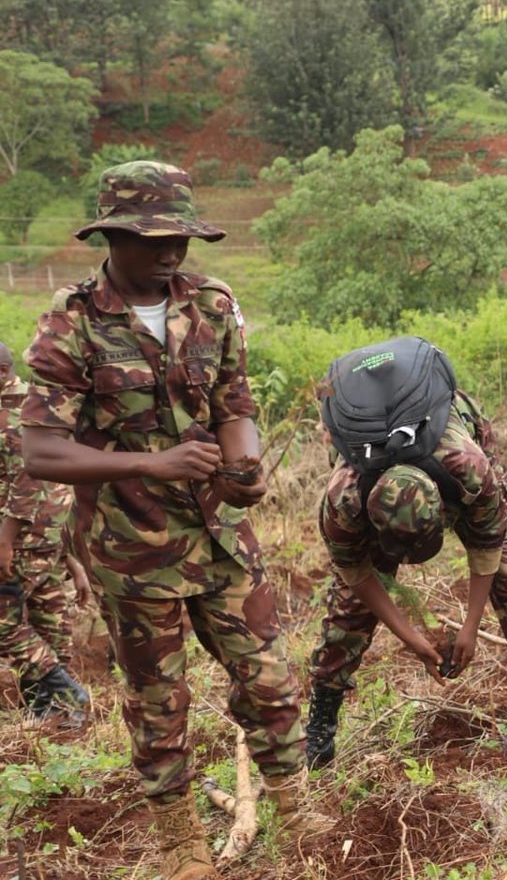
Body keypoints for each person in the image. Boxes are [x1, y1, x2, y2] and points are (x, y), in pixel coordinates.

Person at [20, 162, 331, 880]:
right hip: (133, 547)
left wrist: (245, 469)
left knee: (269, 679)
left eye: (182, 239)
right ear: (113, 236)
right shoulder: (71, 324)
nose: (170, 254)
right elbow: (41, 450)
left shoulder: (214, 305)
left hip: (221, 535)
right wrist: (148, 465)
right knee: (159, 701)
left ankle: (297, 810)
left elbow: (236, 405)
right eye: (154, 240)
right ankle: (179, 840)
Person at [308, 343, 507, 766]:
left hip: (451, 431)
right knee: (348, 609)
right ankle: (321, 723)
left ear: (444, 512)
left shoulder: (469, 469)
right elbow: (357, 575)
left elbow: (487, 545)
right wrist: (413, 640)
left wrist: (470, 628)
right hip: (369, 452)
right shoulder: (344, 499)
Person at [0, 341, 91, 723]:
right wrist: (72, 557)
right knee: (49, 617)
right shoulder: (39, 408)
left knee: (6, 625)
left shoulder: (9, 415)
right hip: (52, 535)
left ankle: (66, 692)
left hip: (21, 536)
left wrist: (5, 541)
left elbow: (26, 482)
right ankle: (55, 711)